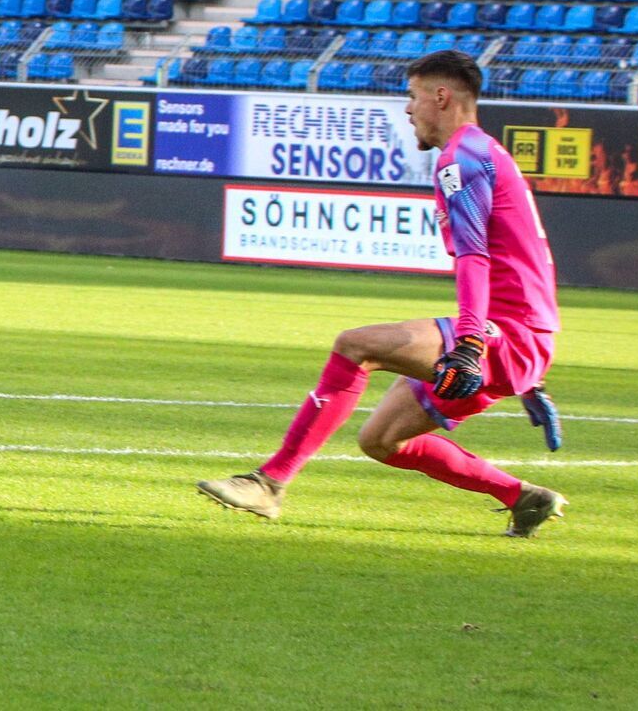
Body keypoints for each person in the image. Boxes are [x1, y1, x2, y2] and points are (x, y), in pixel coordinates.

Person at [196, 49, 566, 537]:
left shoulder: (464, 158)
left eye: (412, 97)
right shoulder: (482, 153)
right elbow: (522, 260)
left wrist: (474, 346)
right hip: (519, 337)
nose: (408, 110)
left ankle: (270, 482)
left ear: (441, 96)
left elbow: (476, 258)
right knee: (381, 440)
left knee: (356, 345)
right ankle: (524, 498)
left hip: (508, 336)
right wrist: (527, 372)